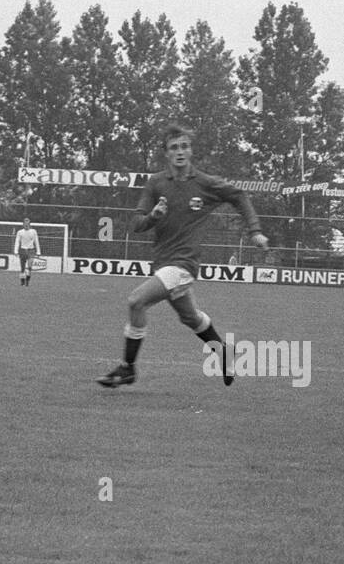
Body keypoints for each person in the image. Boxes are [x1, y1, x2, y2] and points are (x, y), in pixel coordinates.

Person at [96, 122, 269, 388]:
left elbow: (240, 196)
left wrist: (255, 231)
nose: (180, 151)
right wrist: (154, 216)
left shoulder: (205, 183)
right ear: (166, 153)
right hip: (164, 263)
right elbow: (137, 223)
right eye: (174, 147)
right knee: (190, 317)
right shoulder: (155, 183)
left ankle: (127, 368)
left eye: (184, 146)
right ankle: (224, 353)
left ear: (191, 151)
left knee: (136, 302)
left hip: (184, 264)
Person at [14, 218, 39, 286]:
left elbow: (36, 241)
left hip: (31, 250)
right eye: (25, 223)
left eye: (28, 223)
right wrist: (15, 251)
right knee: (22, 268)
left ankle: (27, 280)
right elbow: (17, 241)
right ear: (23, 224)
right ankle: (22, 281)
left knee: (29, 266)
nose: (26, 225)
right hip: (22, 250)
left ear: (29, 224)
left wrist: (38, 251)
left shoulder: (33, 231)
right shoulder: (20, 232)